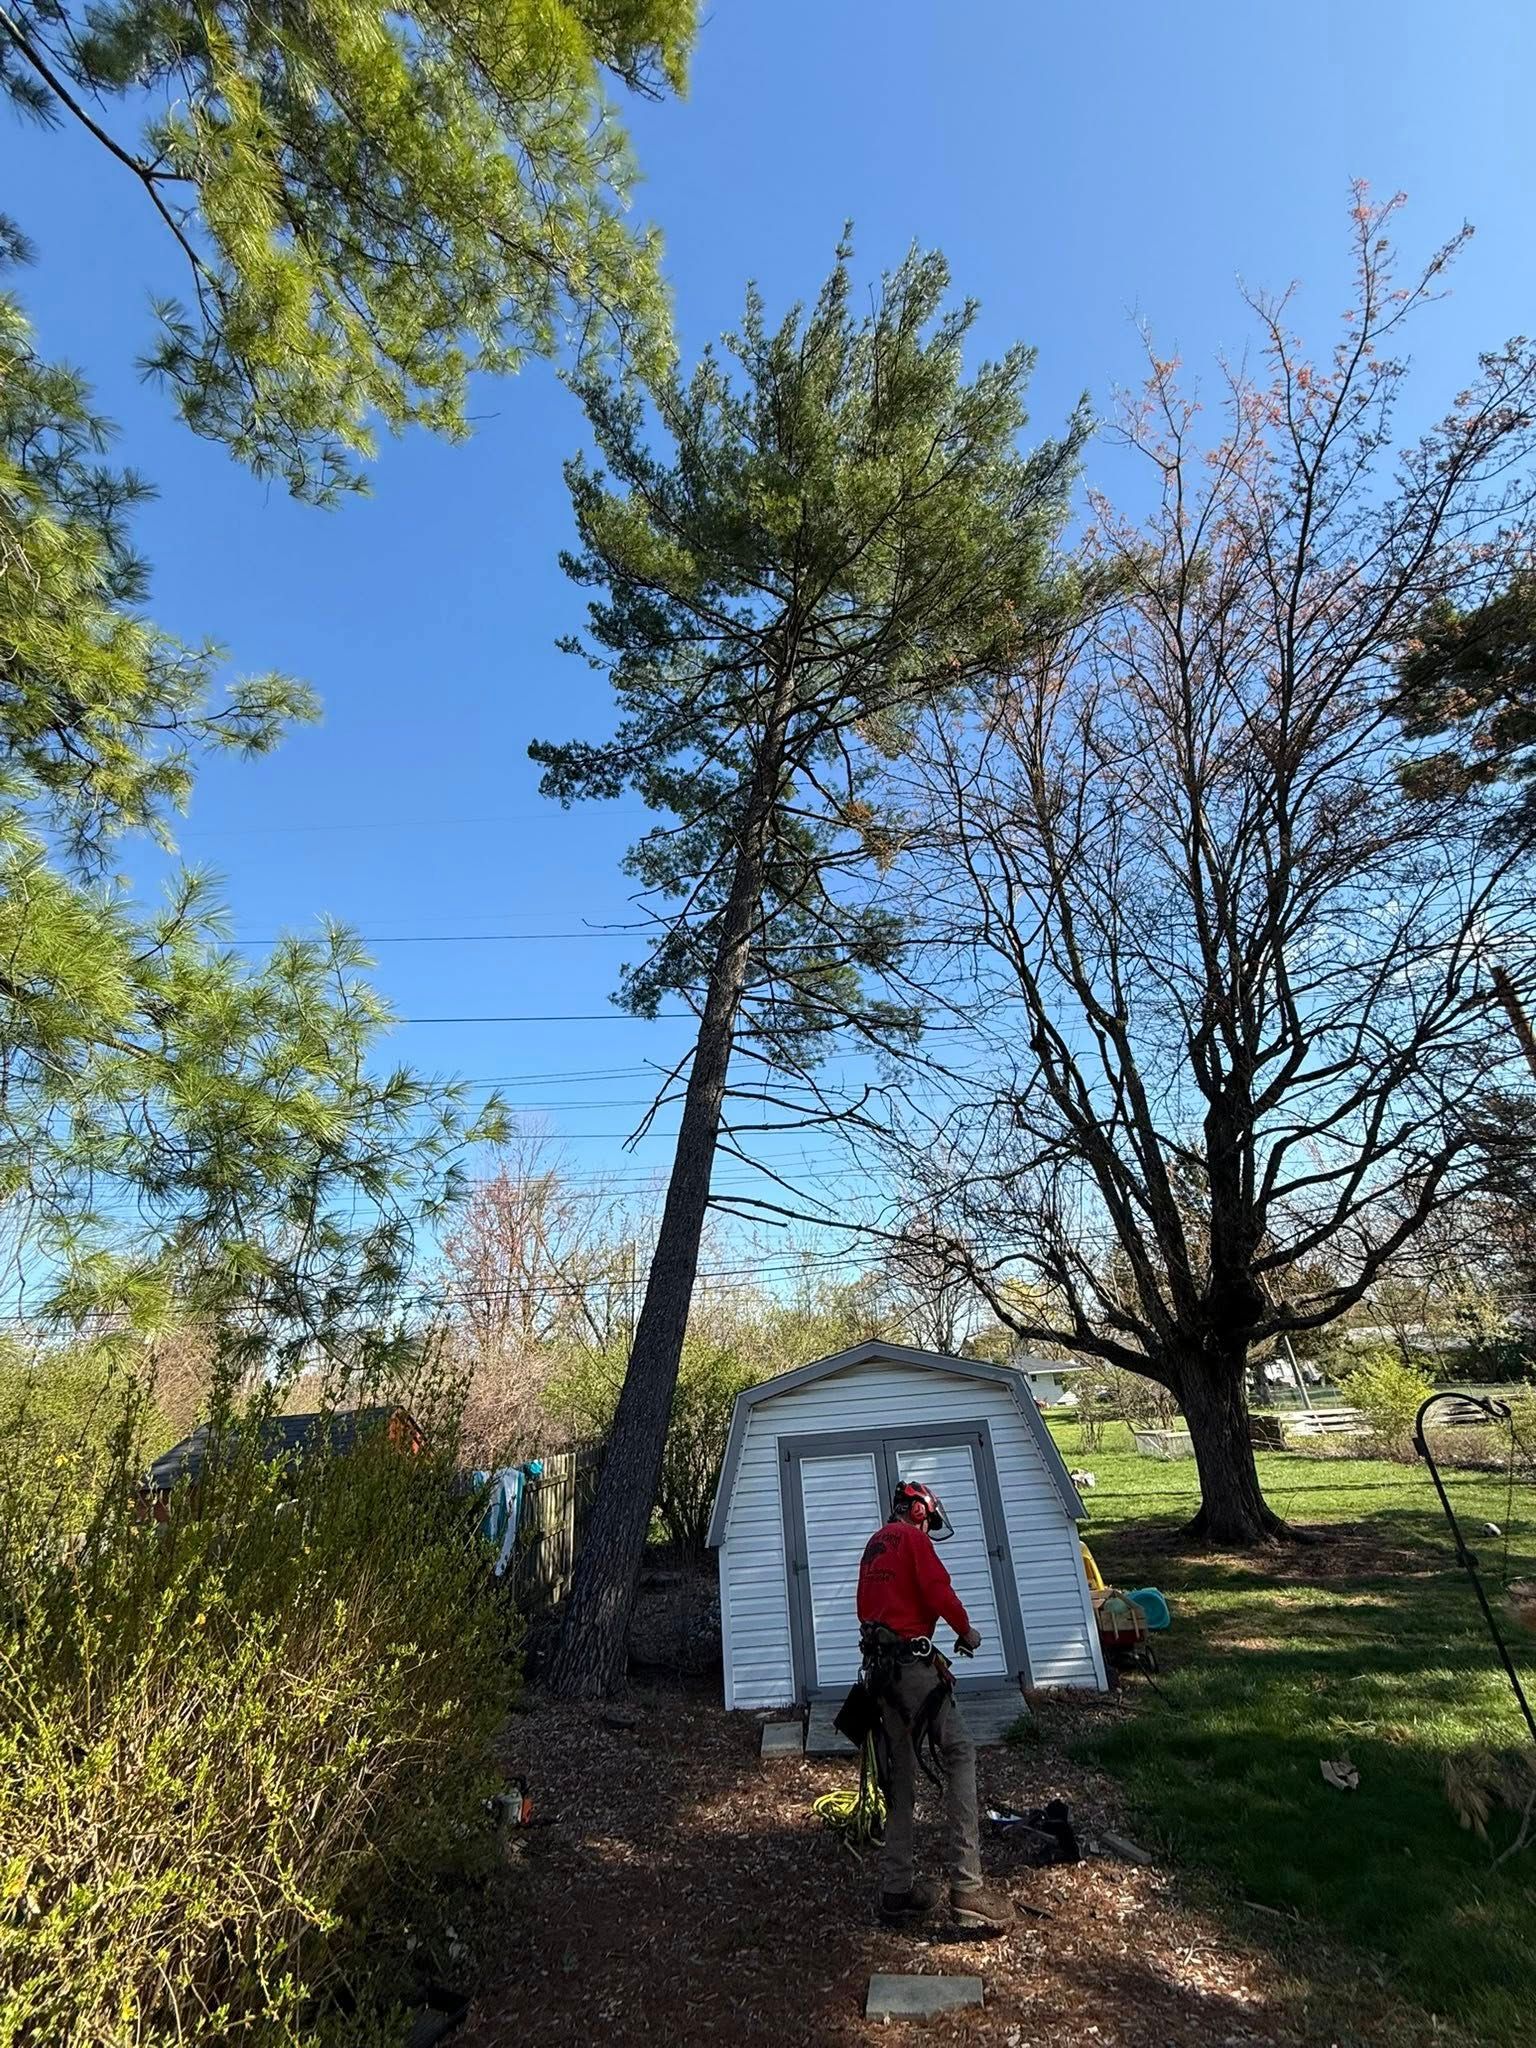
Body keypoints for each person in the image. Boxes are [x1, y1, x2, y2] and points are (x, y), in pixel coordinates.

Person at [855, 1480, 1016, 1933]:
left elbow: (871, 1608)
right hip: (911, 1668)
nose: (931, 1531)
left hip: (883, 1671)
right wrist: (966, 1632)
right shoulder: (911, 1539)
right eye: (931, 1521)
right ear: (921, 1511)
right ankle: (968, 1889)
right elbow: (937, 1592)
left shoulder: (876, 1544)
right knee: (961, 1751)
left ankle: (896, 1889)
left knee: (901, 1775)